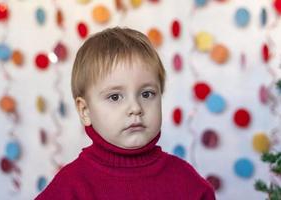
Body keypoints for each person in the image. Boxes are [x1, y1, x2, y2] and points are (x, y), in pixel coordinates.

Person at [35, 27, 215, 200]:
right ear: (85, 111)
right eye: (115, 97)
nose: (135, 107)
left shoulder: (186, 181)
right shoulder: (71, 185)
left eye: (146, 94)